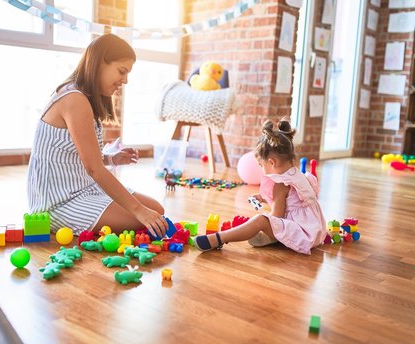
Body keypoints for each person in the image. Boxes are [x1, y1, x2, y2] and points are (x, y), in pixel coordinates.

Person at [27, 33, 168, 238]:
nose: (125, 80)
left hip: (85, 189)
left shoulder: (83, 98)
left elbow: (79, 158)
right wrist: (139, 211)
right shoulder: (74, 99)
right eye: (122, 71)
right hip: (58, 202)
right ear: (100, 63)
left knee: (156, 210)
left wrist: (111, 158)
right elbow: (94, 169)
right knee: (142, 217)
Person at [194, 119, 326, 255]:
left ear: (271, 162)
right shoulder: (299, 175)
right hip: (315, 230)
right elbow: (292, 202)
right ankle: (274, 239)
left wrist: (261, 224)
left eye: (261, 165)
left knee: (260, 220)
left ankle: (218, 239)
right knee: (265, 221)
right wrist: (264, 198)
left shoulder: (281, 185)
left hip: (303, 235)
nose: (261, 168)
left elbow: (276, 217)